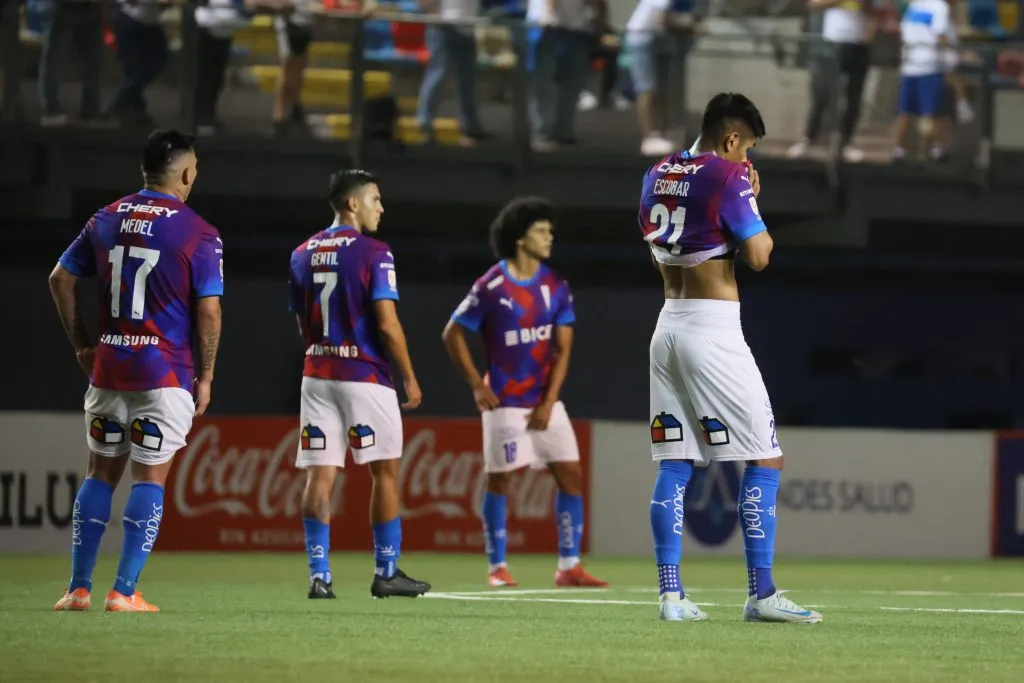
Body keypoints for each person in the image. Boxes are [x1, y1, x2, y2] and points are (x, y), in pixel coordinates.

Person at [640, 93, 822, 623]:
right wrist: (751, 200)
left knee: (676, 462)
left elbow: (663, 248)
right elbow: (761, 256)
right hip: (712, 332)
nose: (748, 161)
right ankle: (762, 595)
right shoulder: (727, 175)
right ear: (731, 138)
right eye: (749, 150)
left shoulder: (656, 173)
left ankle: (671, 597)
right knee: (765, 458)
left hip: (667, 325)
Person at [50, 130, 223, 613]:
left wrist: (83, 344)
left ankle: (77, 589)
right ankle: (123, 592)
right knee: (149, 479)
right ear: (186, 173)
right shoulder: (198, 231)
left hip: (108, 370)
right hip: (164, 374)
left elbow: (60, 279)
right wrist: (206, 375)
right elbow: (208, 312)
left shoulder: (105, 218)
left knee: (100, 474)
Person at [441, 197, 607, 589]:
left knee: (571, 475)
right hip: (505, 403)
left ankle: (569, 566)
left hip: (545, 402)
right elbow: (451, 333)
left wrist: (549, 402)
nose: (550, 237)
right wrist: (477, 385)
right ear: (519, 238)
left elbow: (564, 349)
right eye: (541, 230)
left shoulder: (556, 287)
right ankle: (497, 567)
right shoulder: (491, 286)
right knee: (500, 481)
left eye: (550, 230)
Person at [288, 169, 430, 600]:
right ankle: (386, 571)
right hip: (365, 375)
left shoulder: (301, 253)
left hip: (316, 375)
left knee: (320, 475)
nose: (380, 208)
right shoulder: (374, 252)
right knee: (384, 470)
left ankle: (320, 576)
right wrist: (408, 376)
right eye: (375, 199)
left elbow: (302, 323)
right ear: (352, 204)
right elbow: (387, 324)